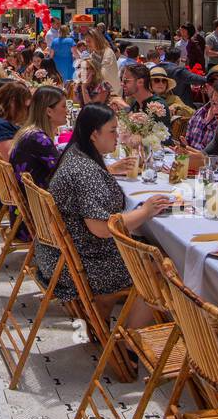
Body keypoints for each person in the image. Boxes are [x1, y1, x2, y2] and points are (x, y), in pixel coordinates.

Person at [47, 105, 172, 318]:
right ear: (94, 134)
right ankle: (131, 341)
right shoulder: (85, 170)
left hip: (63, 255)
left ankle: (117, 323)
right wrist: (146, 211)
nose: (118, 137)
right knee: (163, 266)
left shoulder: (77, 154)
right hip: (83, 264)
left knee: (151, 250)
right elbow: (102, 228)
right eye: (112, 131)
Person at [9, 86, 68, 193]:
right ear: (49, 111)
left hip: (31, 200)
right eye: (63, 106)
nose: (67, 111)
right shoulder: (38, 139)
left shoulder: (30, 132)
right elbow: (63, 173)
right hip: (38, 205)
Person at [0, 80, 32, 162]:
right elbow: (10, 159)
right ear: (13, 102)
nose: (27, 112)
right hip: (2, 173)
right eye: (26, 107)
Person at [183, 67, 218, 153]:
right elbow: (187, 144)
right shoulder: (197, 114)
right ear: (207, 86)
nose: (216, 87)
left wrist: (196, 156)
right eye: (212, 82)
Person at [119, 63, 172, 130]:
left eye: (125, 81)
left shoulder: (158, 106)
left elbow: (153, 136)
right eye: (122, 80)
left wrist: (126, 108)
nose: (122, 84)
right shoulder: (135, 104)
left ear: (140, 82)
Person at [85, 26, 120, 92]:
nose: (87, 44)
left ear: (97, 40)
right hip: (100, 91)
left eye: (89, 41)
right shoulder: (93, 54)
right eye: (86, 41)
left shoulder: (108, 52)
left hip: (111, 92)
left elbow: (104, 74)